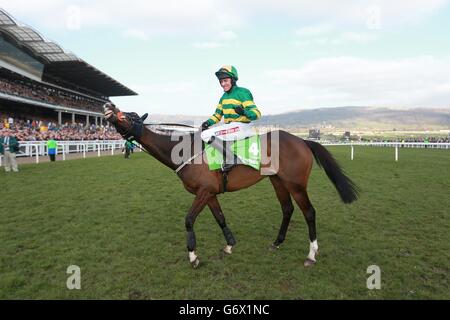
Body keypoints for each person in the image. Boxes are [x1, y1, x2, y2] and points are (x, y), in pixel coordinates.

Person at [201, 66, 261, 172]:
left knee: (205, 135)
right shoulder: (223, 97)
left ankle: (232, 158)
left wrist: (243, 112)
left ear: (232, 80)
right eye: (221, 81)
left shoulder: (243, 92)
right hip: (232, 127)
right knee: (206, 131)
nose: (223, 84)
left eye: (225, 80)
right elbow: (217, 116)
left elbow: (256, 114)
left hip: (243, 127)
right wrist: (207, 123)